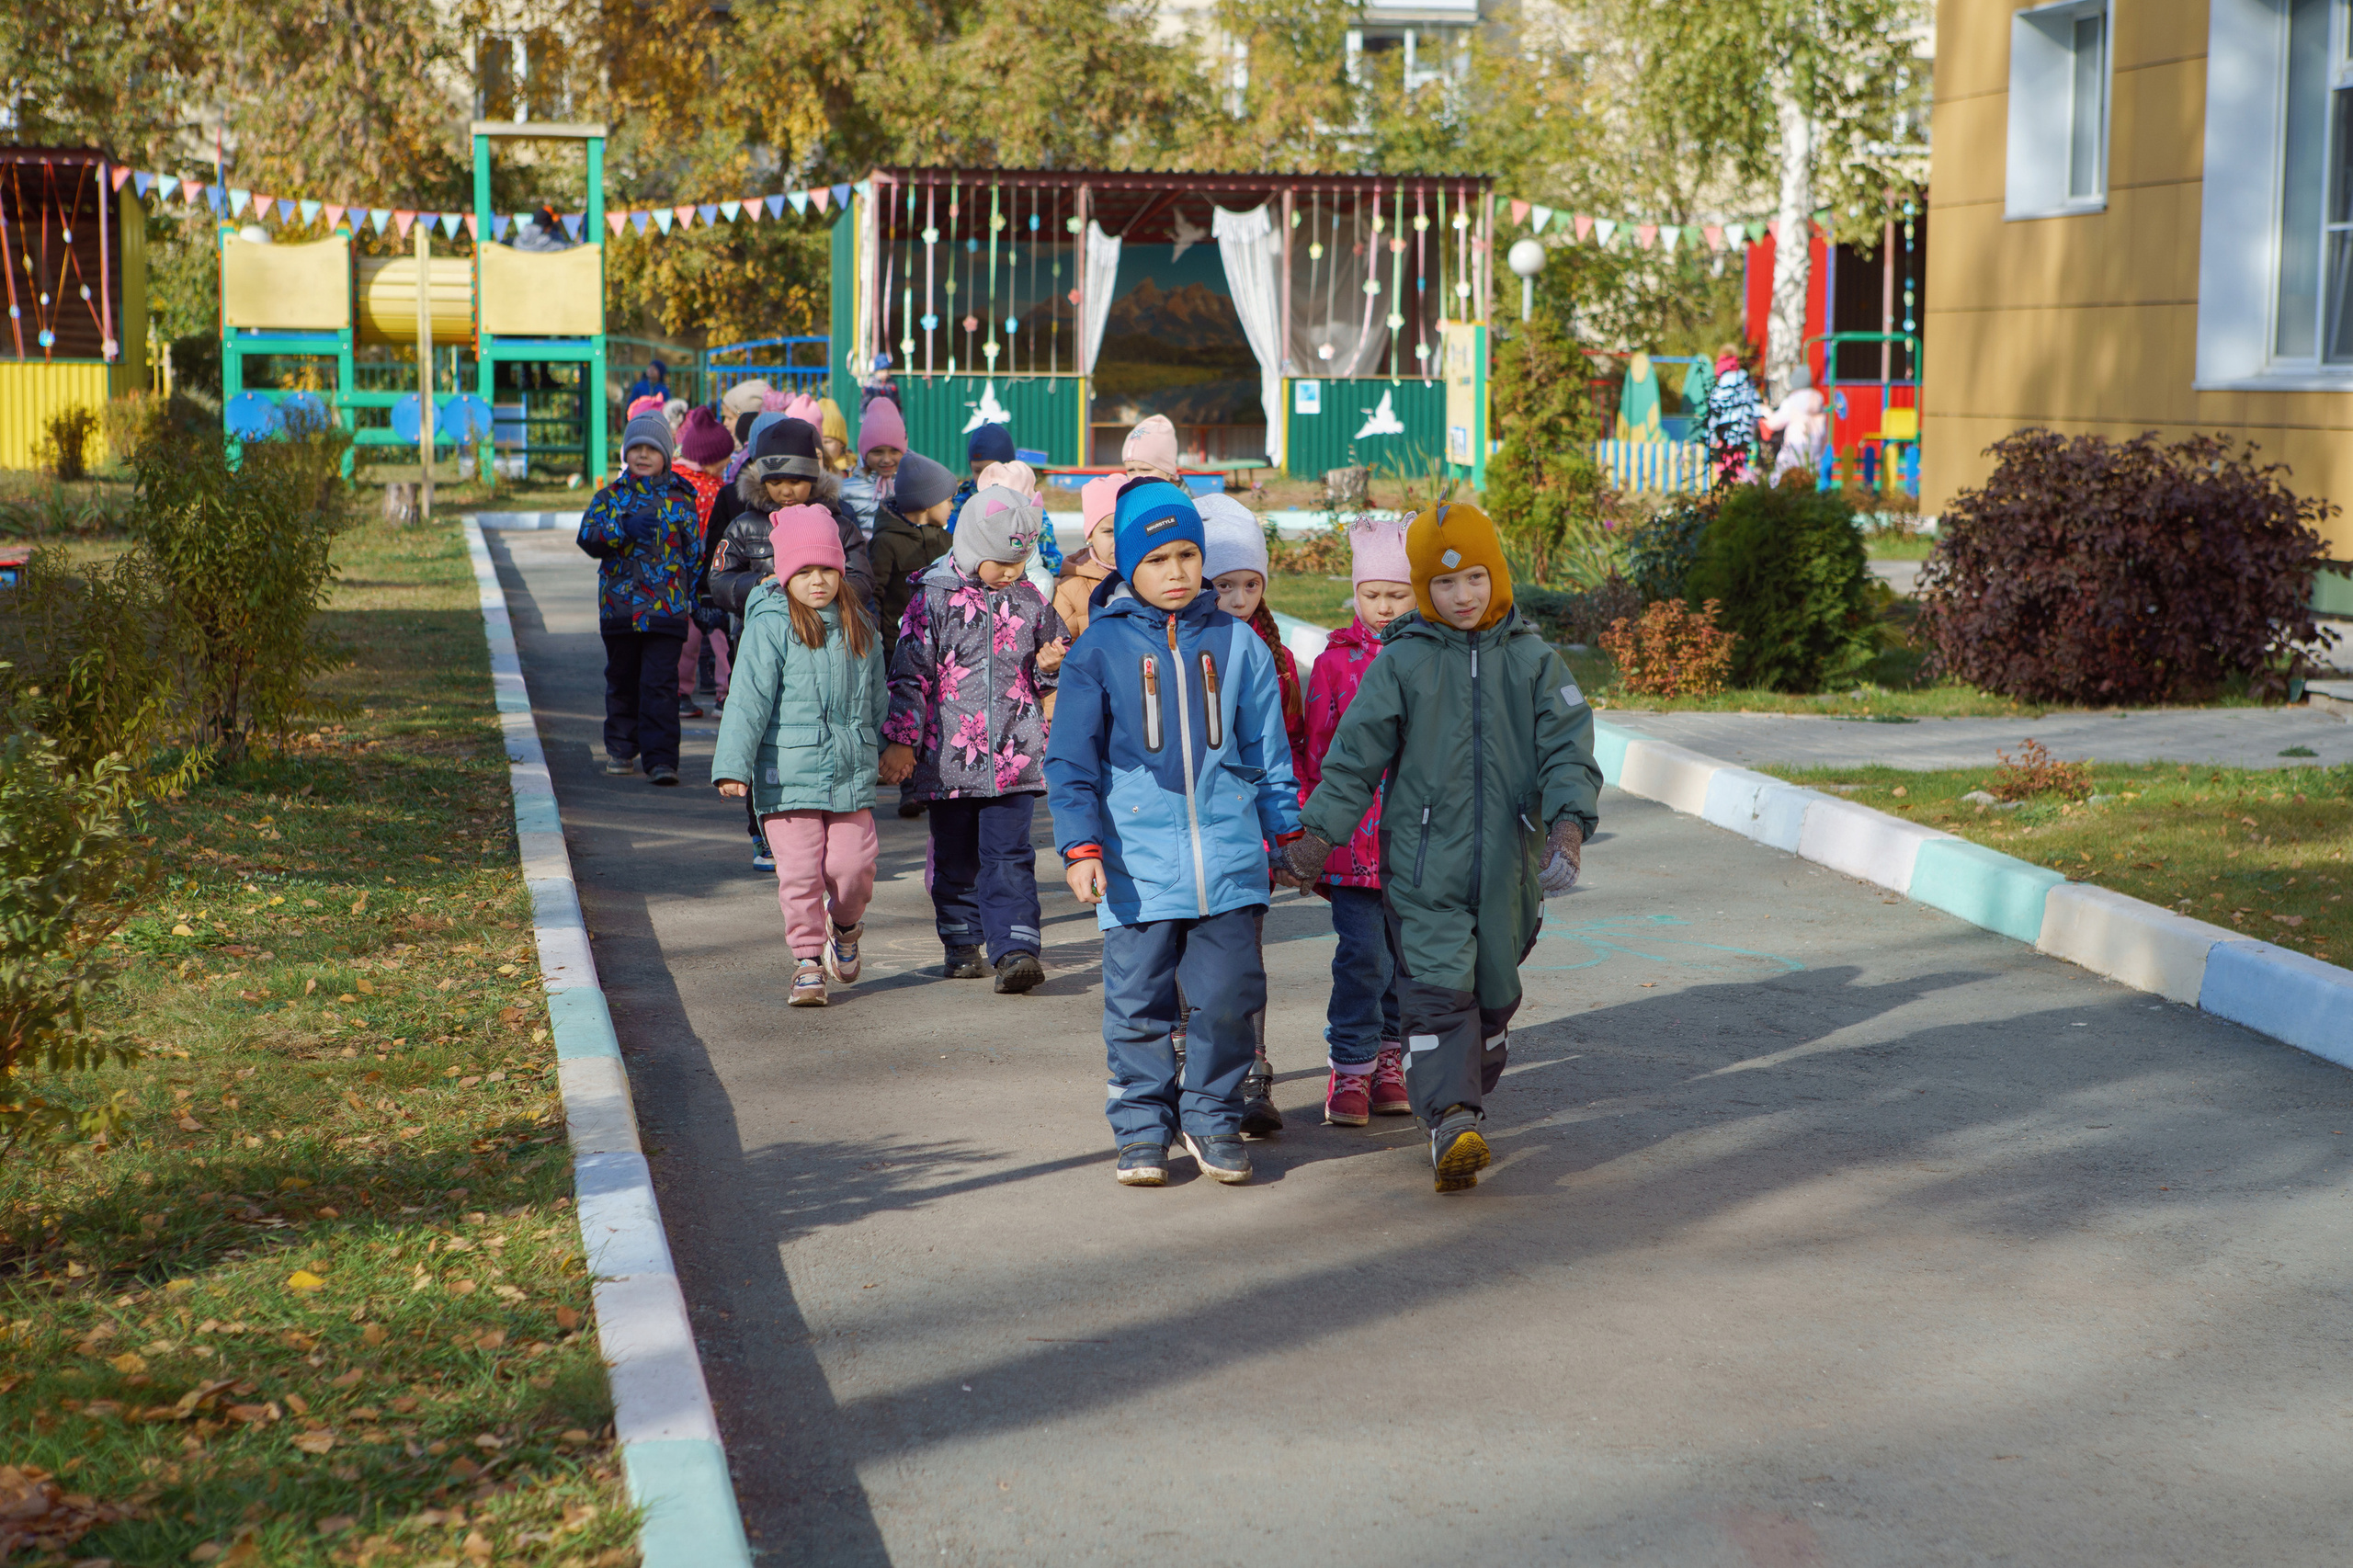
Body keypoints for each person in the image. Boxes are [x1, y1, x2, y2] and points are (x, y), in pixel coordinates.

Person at [1289, 502, 1602, 1194]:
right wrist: (1317, 837)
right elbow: (1354, 758)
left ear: (1498, 577)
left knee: (1493, 996)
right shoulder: (1402, 663)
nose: (1462, 597)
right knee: (1434, 995)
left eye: (1476, 580)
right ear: (1424, 589)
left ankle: (1466, 1090)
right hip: (1424, 869)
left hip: (1508, 873)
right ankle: (1452, 1118)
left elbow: (1568, 751)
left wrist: (1568, 826)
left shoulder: (1534, 661)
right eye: (1444, 585)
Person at [1044, 480, 1303, 1188]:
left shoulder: (1239, 643)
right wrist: (1080, 847)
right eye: (1158, 559)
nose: (1178, 572)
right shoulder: (1098, 649)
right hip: (1136, 864)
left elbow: (1267, 749)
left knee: (1230, 999)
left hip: (1228, 859)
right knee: (1139, 1006)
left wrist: (1284, 832)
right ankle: (1141, 1128)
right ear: (1129, 565)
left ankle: (1213, 1117)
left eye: (1189, 554)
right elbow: (1069, 759)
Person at [880, 486, 1067, 993]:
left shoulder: (1030, 600)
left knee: (1010, 856)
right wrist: (901, 739)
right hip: (949, 762)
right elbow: (909, 675)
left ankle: (1016, 950)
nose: (1011, 573)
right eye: (1000, 563)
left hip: (1015, 757)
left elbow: (1049, 666)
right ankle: (962, 943)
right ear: (970, 549)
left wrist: (1051, 668)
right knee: (957, 856)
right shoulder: (932, 598)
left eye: (1019, 561)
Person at [710, 506, 888, 1007]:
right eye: (804, 571)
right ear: (784, 573)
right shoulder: (771, 624)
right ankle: (808, 961)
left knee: (854, 868)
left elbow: (877, 699)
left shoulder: (861, 625)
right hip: (785, 775)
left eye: (828, 570)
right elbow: (747, 698)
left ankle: (846, 927)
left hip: (850, 773)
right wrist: (731, 765)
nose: (818, 581)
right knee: (801, 873)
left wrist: (894, 747)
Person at [704, 417, 879, 868]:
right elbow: (718, 578)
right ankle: (767, 831)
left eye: (798, 481)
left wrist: (821, 590)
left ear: (815, 477)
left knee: (822, 733)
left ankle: (828, 830)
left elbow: (860, 577)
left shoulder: (837, 524)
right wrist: (768, 587)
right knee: (769, 736)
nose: (787, 491)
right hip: (764, 642)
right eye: (777, 481)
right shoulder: (744, 525)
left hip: (831, 643)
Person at [1297, 516, 1417, 1128]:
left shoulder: (1431, 662)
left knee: (1405, 959)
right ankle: (1350, 1064)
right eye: (1372, 595)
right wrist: (1314, 832)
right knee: (1363, 957)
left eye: (1398, 595)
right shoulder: (1338, 663)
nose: (1384, 608)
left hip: (1417, 849)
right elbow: (1319, 754)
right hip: (1353, 846)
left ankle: (1389, 1056)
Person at [1196, 493, 1305, 1135]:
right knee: (1189, 955)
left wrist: (1285, 824)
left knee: (1242, 958)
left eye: (1249, 584)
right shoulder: (1192, 647)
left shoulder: (1276, 656)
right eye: (1223, 584)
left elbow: (1281, 745)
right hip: (1186, 824)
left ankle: (1252, 1072)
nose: (1237, 598)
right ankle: (1197, 1066)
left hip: (1246, 830)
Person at [577, 411, 701, 785]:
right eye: (636, 448)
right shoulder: (610, 498)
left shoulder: (681, 500)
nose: (643, 455)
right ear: (626, 453)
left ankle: (661, 759)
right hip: (620, 608)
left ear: (666, 453)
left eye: (652, 448)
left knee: (661, 685)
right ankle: (620, 748)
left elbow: (694, 555)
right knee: (622, 679)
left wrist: (695, 602)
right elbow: (588, 538)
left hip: (667, 611)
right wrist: (621, 529)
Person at [671, 407, 737, 721]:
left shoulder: (673, 480)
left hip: (677, 575)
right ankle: (725, 694)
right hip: (708, 574)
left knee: (687, 638)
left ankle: (681, 692)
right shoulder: (713, 490)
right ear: (712, 458)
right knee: (721, 636)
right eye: (725, 459)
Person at [839, 397, 907, 539]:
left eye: (894, 451)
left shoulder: (912, 488)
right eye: (877, 452)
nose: (887, 459)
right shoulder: (844, 491)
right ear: (865, 454)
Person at [1762, 366, 1831, 487]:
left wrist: (1766, 411)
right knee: (1808, 477)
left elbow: (1774, 423)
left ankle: (1774, 495)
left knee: (1780, 474)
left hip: (1795, 445)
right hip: (1815, 445)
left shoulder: (1792, 401)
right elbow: (1825, 432)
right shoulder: (1818, 401)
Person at [1705, 345, 1762, 487]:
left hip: (1725, 435)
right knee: (1741, 470)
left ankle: (1728, 500)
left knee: (1725, 474)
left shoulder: (1722, 383)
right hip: (1744, 434)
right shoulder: (1746, 381)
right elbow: (1756, 407)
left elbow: (1715, 410)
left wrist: (1711, 434)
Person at [1121, 415, 1181, 483]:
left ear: (1169, 472)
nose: (1137, 478)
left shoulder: (1180, 493)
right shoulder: (1127, 492)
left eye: (1145, 470)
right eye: (1131, 470)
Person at [816, 397, 857, 475]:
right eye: (817, 442)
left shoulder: (851, 472)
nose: (822, 447)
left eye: (827, 442)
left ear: (841, 443)